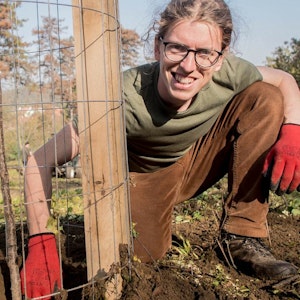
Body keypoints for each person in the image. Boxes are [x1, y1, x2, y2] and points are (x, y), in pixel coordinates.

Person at [20, 0, 300, 298]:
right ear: (157, 47)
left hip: (199, 158)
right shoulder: (122, 97)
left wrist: (293, 131)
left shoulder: (228, 72)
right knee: (144, 255)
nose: (188, 66)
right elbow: (40, 160)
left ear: (220, 58)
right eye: (177, 48)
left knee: (265, 97)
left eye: (204, 53)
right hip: (147, 175)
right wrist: (40, 240)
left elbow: (284, 80)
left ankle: (242, 236)